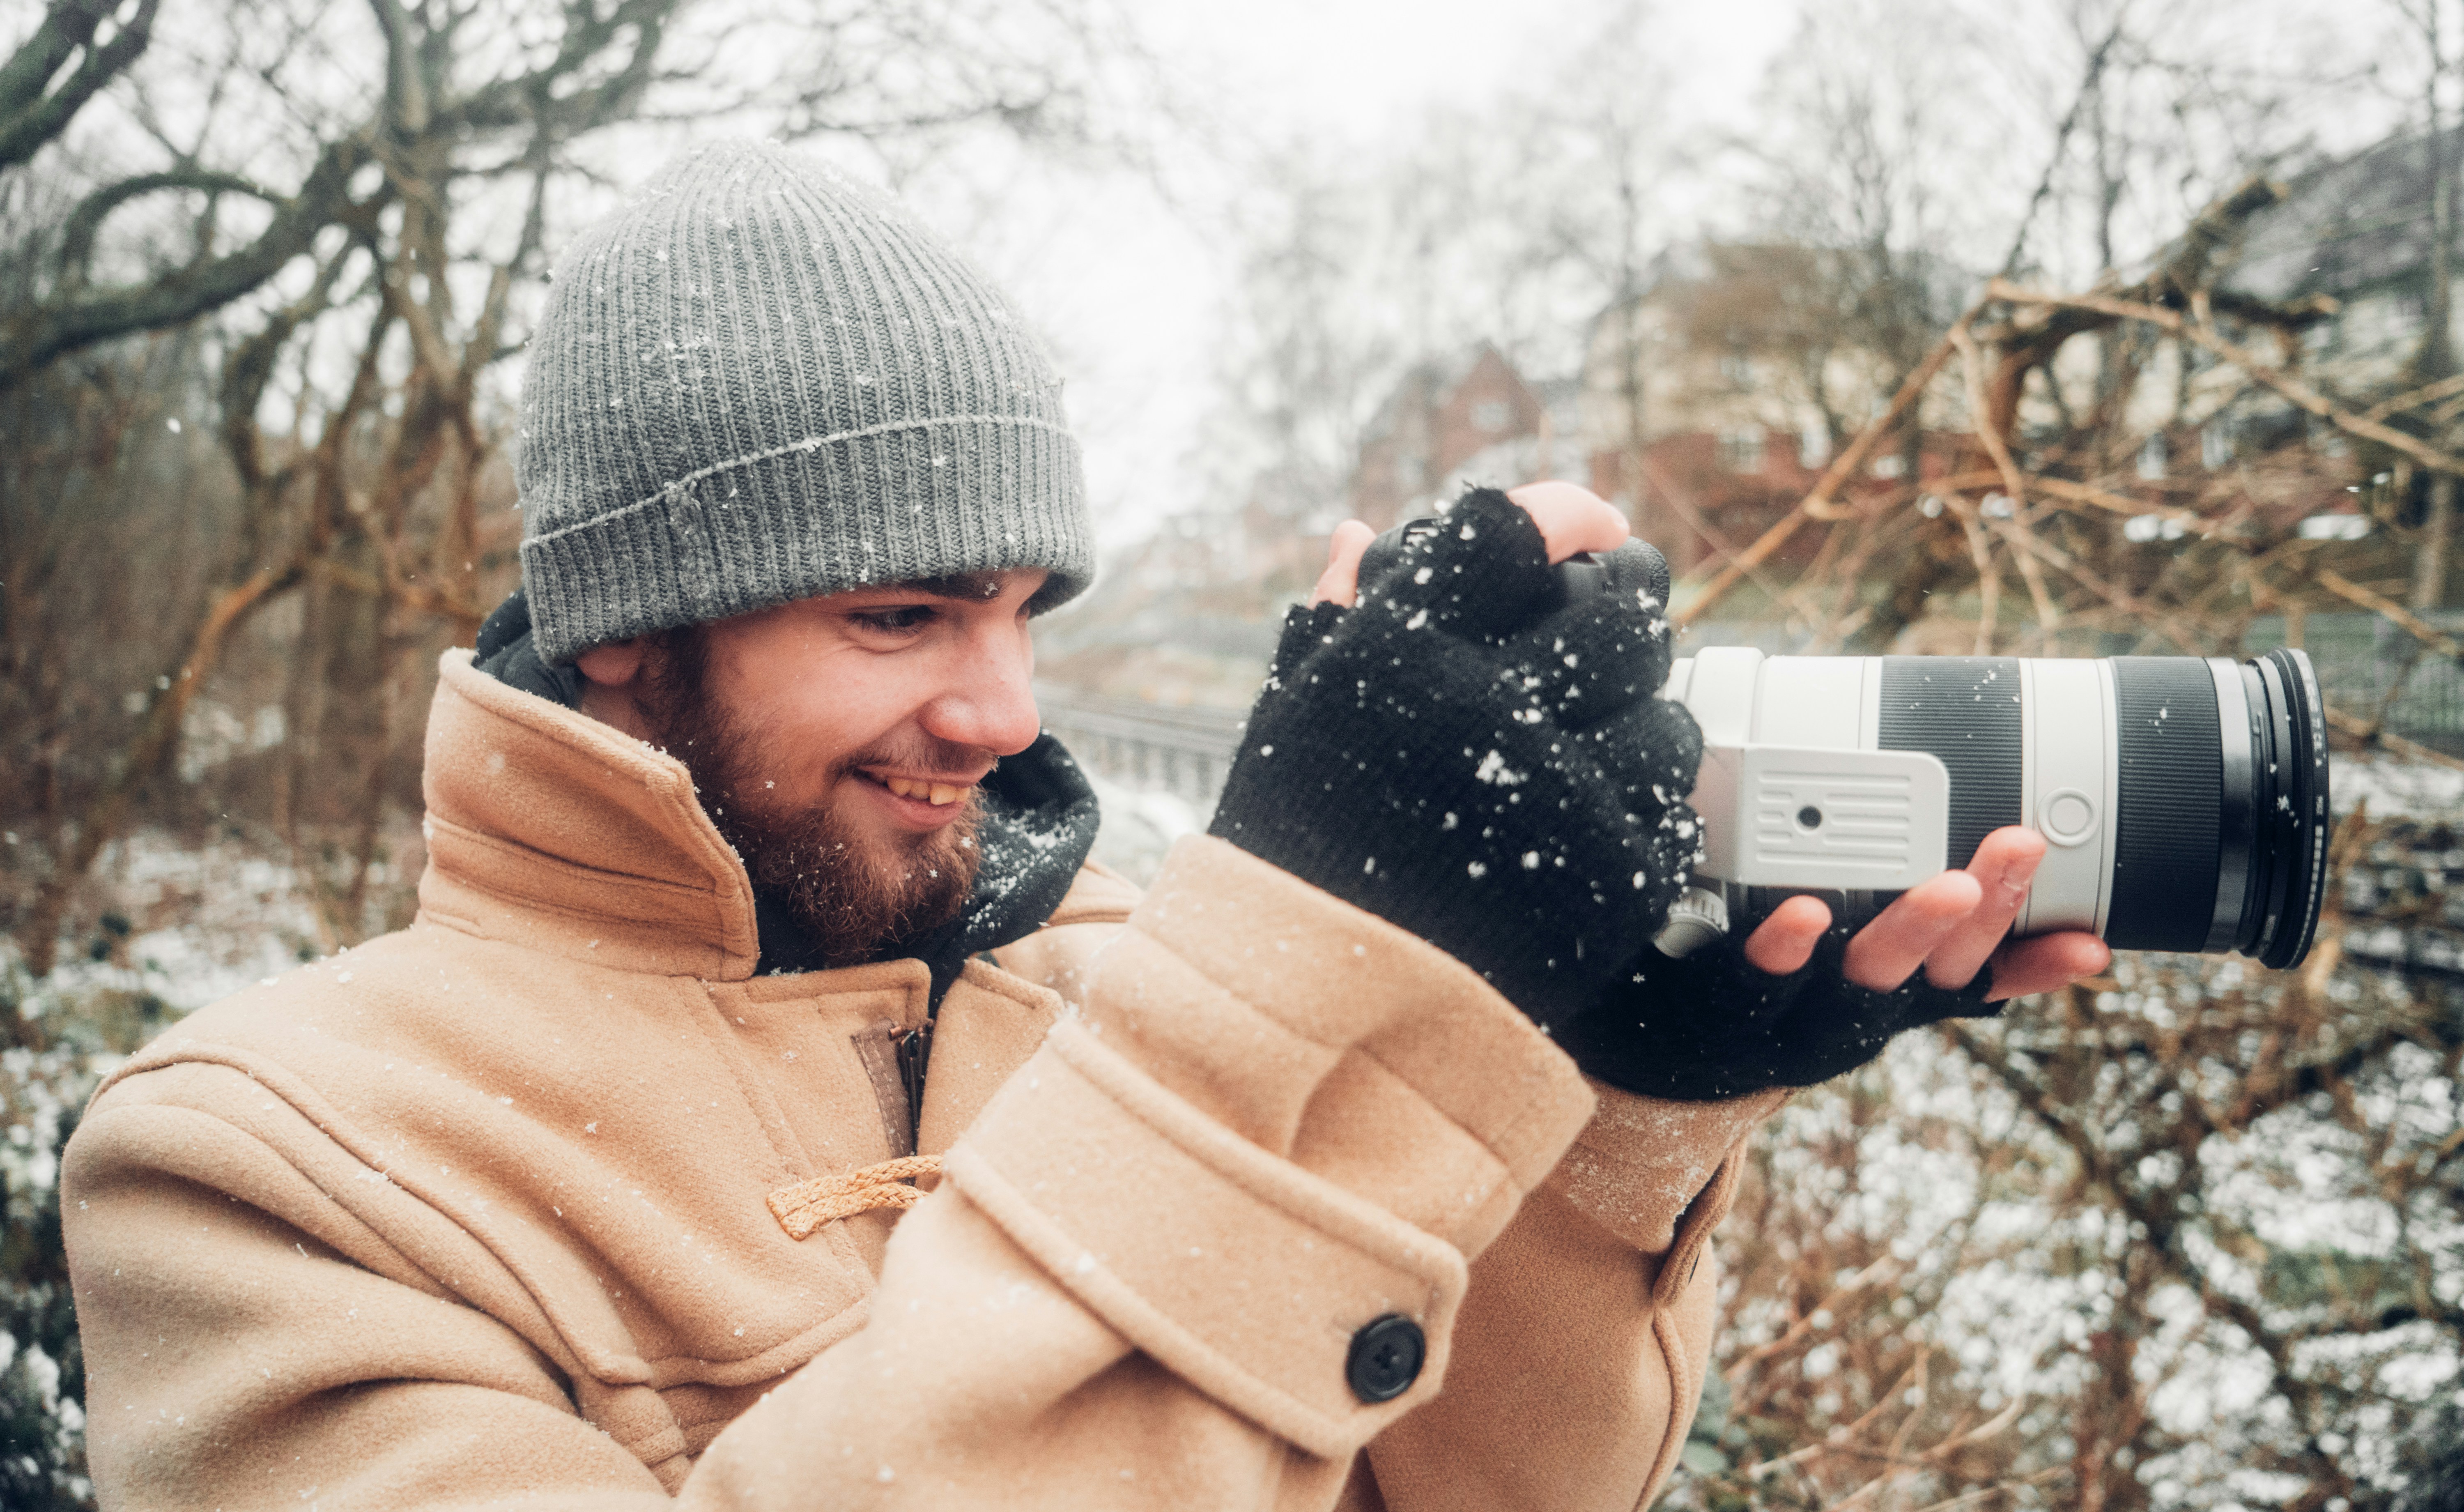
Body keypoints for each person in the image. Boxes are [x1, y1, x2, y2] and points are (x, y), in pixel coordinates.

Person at [60, 142, 2108, 1510]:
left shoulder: (1112, 969)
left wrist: (1601, 1116)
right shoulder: (262, 1166)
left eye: (1025, 612)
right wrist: (1286, 985)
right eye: (897, 615)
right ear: (626, 637)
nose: (1006, 710)